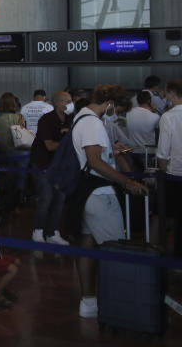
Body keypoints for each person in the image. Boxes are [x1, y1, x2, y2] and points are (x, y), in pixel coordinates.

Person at [72, 84, 147, 319]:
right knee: (117, 249)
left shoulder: (81, 118)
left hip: (85, 192)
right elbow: (95, 161)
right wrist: (127, 182)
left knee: (87, 244)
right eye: (120, 109)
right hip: (100, 194)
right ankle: (122, 303)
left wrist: (110, 151)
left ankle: (89, 302)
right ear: (111, 103)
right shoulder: (93, 123)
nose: (118, 114)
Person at [30, 91, 73, 245]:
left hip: (60, 165)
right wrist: (68, 142)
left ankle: (53, 232)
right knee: (46, 197)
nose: (69, 103)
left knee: (59, 198)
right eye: (66, 101)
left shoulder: (70, 119)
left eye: (70, 100)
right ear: (57, 103)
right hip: (43, 163)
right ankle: (38, 231)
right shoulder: (46, 120)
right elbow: (49, 145)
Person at [156, 79, 182, 258]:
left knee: (174, 218)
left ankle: (174, 256)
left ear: (173, 93)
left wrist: (162, 172)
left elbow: (163, 153)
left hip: (175, 175)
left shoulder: (168, 117)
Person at [0, 92, 26, 156]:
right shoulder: (20, 117)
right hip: (17, 152)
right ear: (14, 103)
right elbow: (23, 133)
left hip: (2, 152)